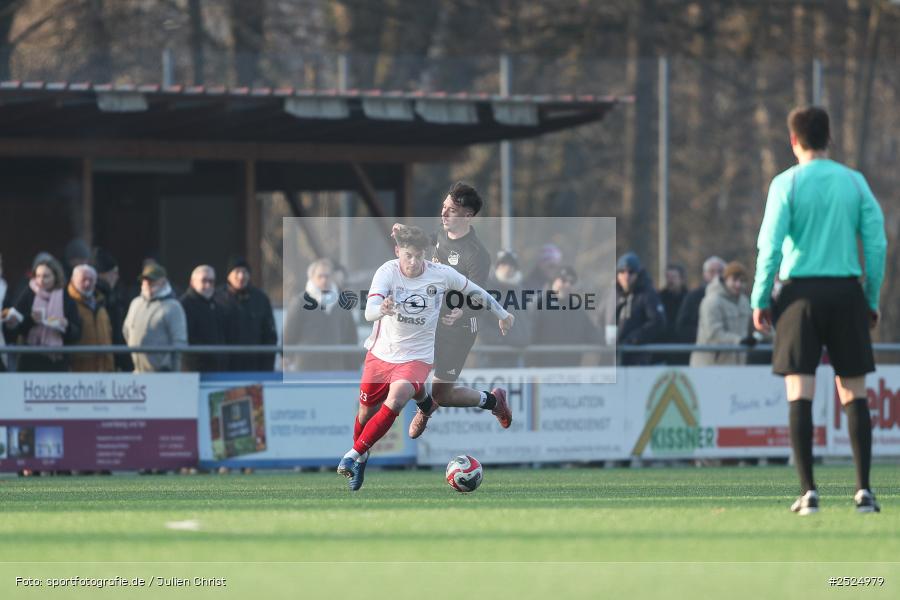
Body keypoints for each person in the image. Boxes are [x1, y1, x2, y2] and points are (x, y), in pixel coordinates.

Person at [751, 106, 887, 515]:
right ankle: (863, 491)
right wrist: (871, 297)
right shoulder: (853, 182)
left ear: (794, 141)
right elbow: (876, 243)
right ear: (829, 139)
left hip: (800, 295)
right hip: (846, 293)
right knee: (854, 391)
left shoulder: (785, 183)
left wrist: (760, 299)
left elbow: (770, 247)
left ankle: (808, 492)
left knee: (800, 390)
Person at [336, 225, 514, 491]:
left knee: (396, 399)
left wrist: (503, 314)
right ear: (398, 252)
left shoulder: (440, 274)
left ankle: (352, 455)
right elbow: (368, 311)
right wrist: (381, 309)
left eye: (419, 256)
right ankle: (364, 454)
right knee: (365, 413)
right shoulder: (387, 271)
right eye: (408, 255)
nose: (414, 262)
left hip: (416, 357)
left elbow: (475, 290)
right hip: (381, 353)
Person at [405, 182, 512, 440]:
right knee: (408, 366)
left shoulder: (477, 255)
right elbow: (416, 244)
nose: (443, 214)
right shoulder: (438, 236)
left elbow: (480, 297)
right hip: (431, 320)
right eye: (443, 207)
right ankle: (425, 406)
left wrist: (462, 311)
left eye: (451, 210)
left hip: (460, 328)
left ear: (467, 215)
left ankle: (492, 401)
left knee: (443, 394)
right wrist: (402, 234)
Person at [4, 256, 81, 372]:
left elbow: (77, 333)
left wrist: (66, 326)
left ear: (56, 277)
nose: (41, 280)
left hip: (57, 362)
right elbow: (17, 328)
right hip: (31, 360)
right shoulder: (29, 293)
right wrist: (30, 320)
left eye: (46, 276)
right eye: (38, 276)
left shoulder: (66, 297)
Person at [530, 266, 601, 367]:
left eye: (571, 282)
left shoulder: (577, 310)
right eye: (563, 280)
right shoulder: (537, 305)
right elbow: (529, 338)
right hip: (543, 371)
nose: (567, 285)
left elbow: (592, 334)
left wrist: (611, 340)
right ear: (554, 281)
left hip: (569, 372)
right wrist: (532, 367)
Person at [216, 256, 277, 372]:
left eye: (244, 272)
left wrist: (267, 368)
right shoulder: (217, 299)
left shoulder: (260, 299)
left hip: (255, 368)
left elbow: (270, 335)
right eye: (237, 271)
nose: (241, 276)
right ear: (229, 275)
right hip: (225, 370)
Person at [123, 263, 188, 372]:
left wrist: (174, 372)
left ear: (163, 282)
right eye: (145, 280)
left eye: (152, 280)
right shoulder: (136, 303)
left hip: (163, 374)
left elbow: (179, 342)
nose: (147, 284)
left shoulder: (173, 307)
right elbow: (126, 331)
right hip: (138, 372)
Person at [690, 261, 754, 367]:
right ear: (725, 280)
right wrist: (739, 341)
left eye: (742, 281)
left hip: (737, 365)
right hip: (710, 366)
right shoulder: (712, 301)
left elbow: (753, 327)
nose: (738, 285)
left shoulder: (744, 302)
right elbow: (713, 334)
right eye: (734, 280)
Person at [477, 250, 531, 368]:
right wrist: (504, 340)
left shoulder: (520, 291)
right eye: (504, 264)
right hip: (492, 357)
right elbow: (479, 323)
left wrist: (525, 338)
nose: (508, 268)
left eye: (512, 265)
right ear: (497, 267)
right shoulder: (486, 290)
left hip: (517, 356)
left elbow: (528, 319)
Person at [615, 252, 665, 366]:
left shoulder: (647, 294)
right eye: (622, 272)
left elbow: (658, 322)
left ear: (638, 274)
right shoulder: (613, 295)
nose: (626, 276)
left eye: (631, 272)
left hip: (638, 358)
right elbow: (599, 319)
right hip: (615, 357)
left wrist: (634, 339)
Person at [180, 265, 228, 372]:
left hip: (216, 370)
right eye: (204, 280)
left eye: (211, 281)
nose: (208, 285)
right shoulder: (184, 305)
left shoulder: (216, 305)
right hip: (194, 372)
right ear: (192, 282)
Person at [66, 264, 114, 372]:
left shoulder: (101, 304)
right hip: (78, 371)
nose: (87, 284)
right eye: (83, 280)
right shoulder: (67, 303)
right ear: (73, 280)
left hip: (104, 370)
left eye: (91, 280)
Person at [93, 247, 132, 372]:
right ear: (102, 274)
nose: (117, 276)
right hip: (99, 357)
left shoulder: (118, 294)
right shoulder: (98, 297)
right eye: (114, 272)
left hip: (115, 355)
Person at [675, 256, 726, 344]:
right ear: (705, 274)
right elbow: (682, 327)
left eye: (720, 271)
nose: (717, 275)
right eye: (712, 271)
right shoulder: (693, 297)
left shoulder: (733, 297)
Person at [659, 264, 688, 365]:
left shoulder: (689, 298)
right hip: (663, 350)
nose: (670, 281)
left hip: (684, 350)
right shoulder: (659, 298)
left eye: (674, 277)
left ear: (682, 279)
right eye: (668, 277)